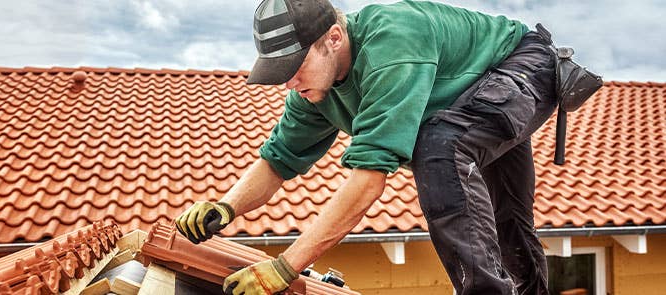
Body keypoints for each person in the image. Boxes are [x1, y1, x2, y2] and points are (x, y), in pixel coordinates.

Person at [175, 0, 559, 294]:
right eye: (280, 72)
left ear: (334, 38)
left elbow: (368, 180)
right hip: (470, 101)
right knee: (505, 216)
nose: (289, 82)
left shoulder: (391, 45)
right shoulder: (314, 91)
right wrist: (226, 205)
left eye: (295, 65)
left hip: (523, 64)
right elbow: (277, 161)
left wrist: (285, 267)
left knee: (439, 148)